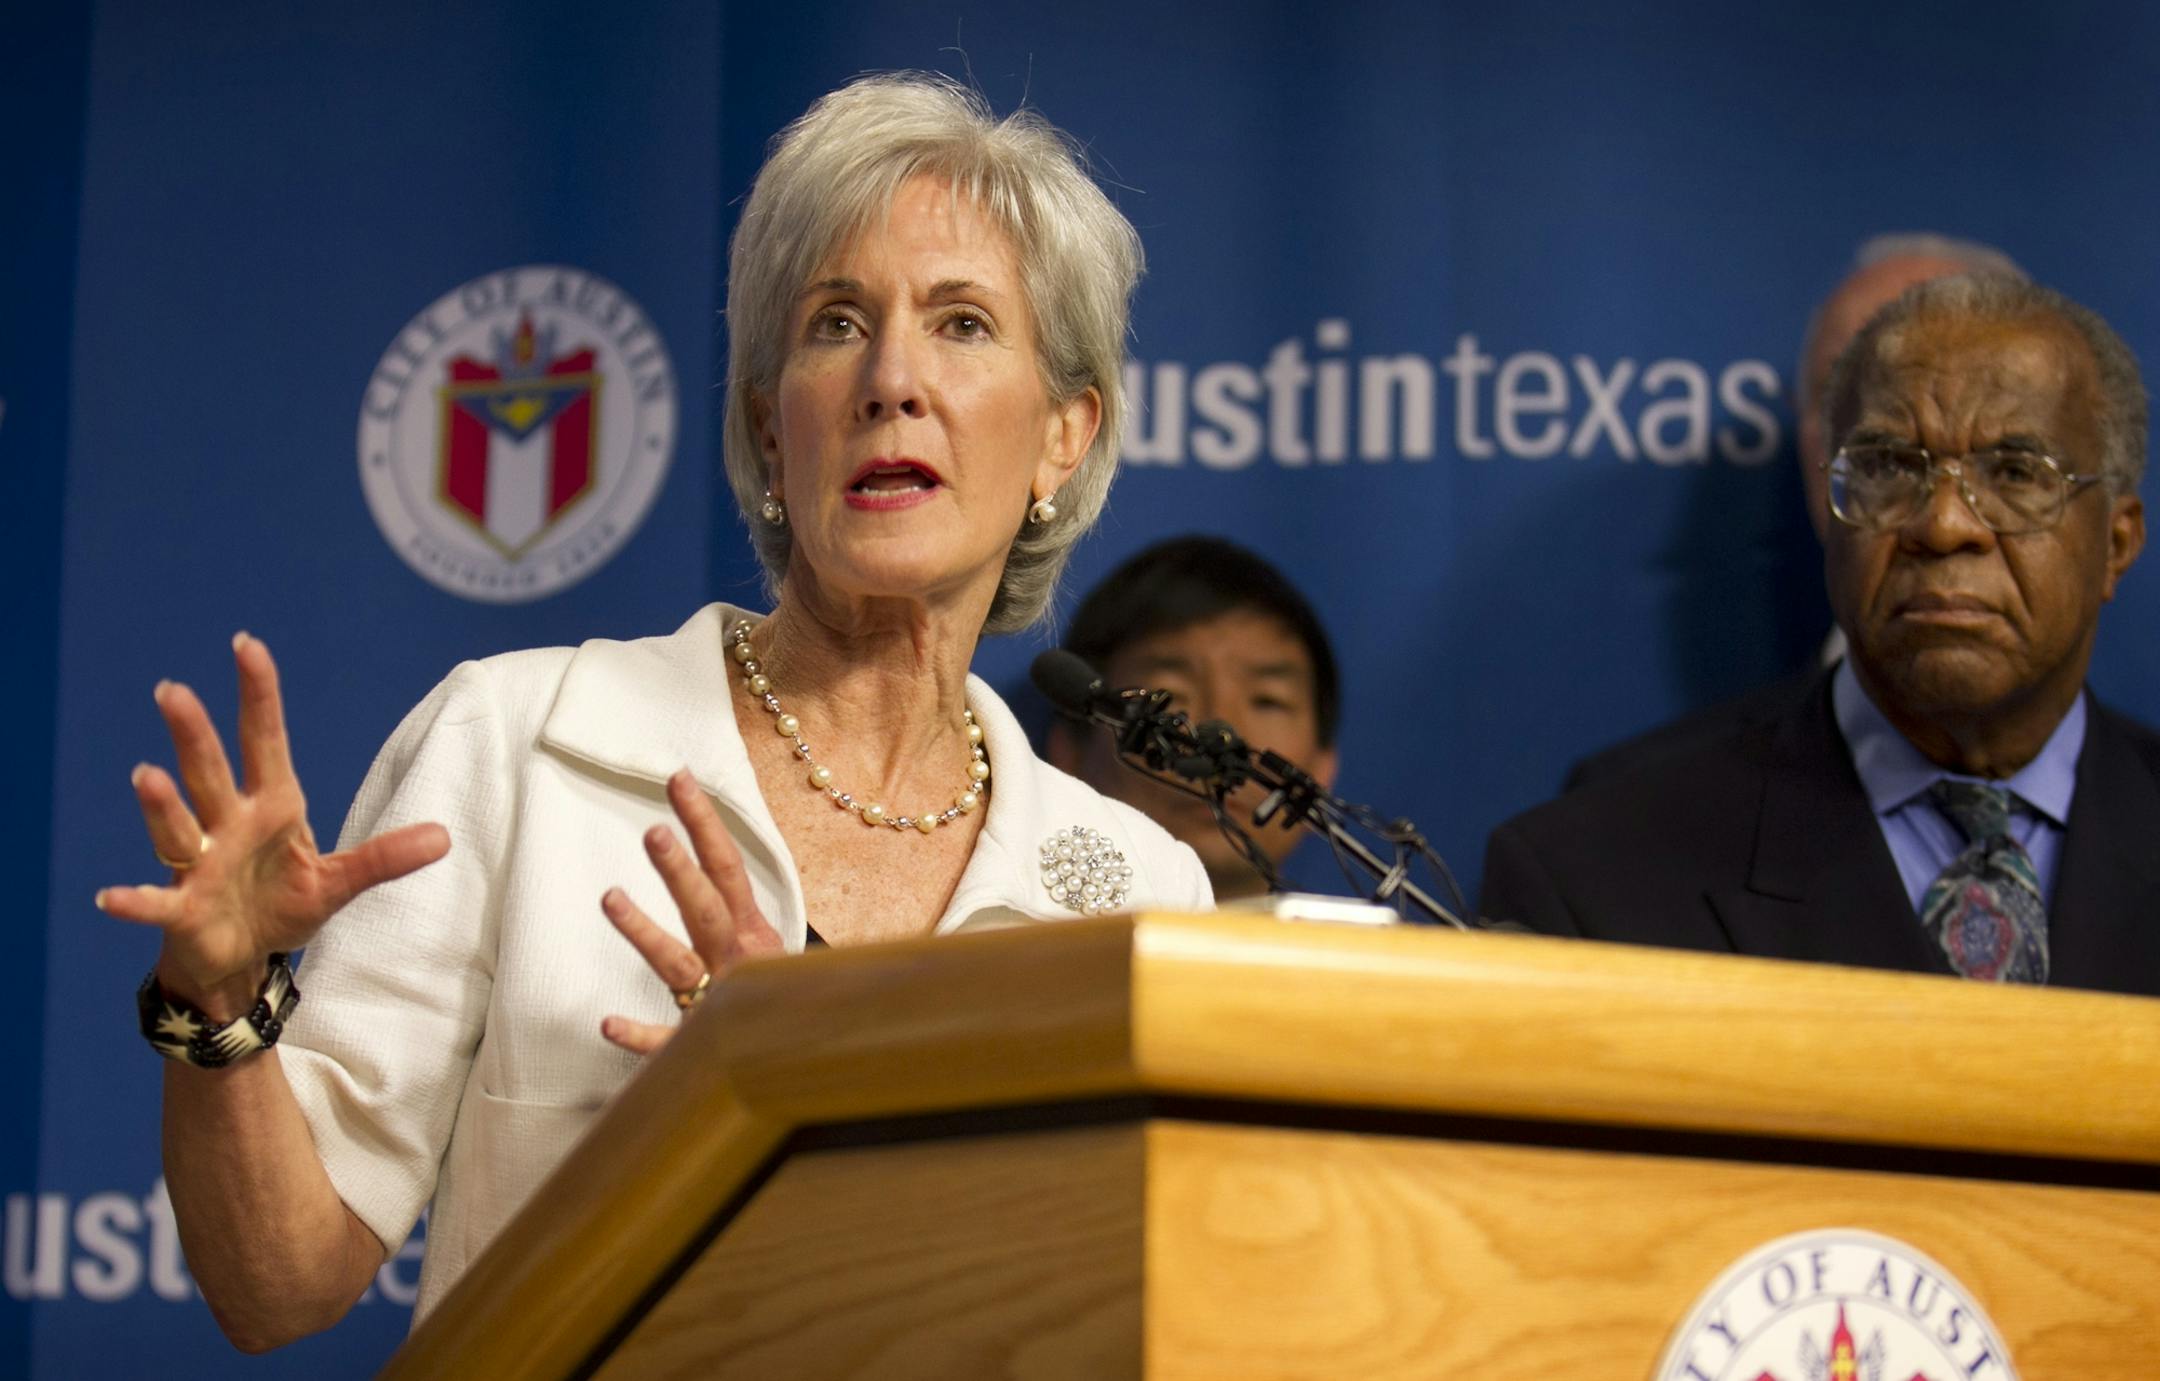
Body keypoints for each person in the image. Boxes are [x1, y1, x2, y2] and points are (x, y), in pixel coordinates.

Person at [94, 73, 1210, 1351]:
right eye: (837, 323)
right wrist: (222, 1000)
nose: (892, 378)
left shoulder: (1138, 890)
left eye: (962, 325)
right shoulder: (516, 743)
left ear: (1065, 435)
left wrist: (793, 1107)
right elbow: (276, 1285)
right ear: (766, 425)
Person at [1482, 273, 2160, 998]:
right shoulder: (1590, 881)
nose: (1944, 525)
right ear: (1828, 512)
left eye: (2017, 472)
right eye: (1889, 467)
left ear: (2116, 544)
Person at [1566, 234, 2025, 789]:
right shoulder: (1619, 819)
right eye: (1843, 396)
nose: (1892, 441)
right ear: (1807, 434)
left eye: (1948, 394)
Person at [1044, 536, 1341, 900]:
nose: (1222, 736)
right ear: (1068, 754)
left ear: (1321, 773)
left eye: (1267, 701)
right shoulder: (1005, 953)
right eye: (1170, 697)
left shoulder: (1369, 957)